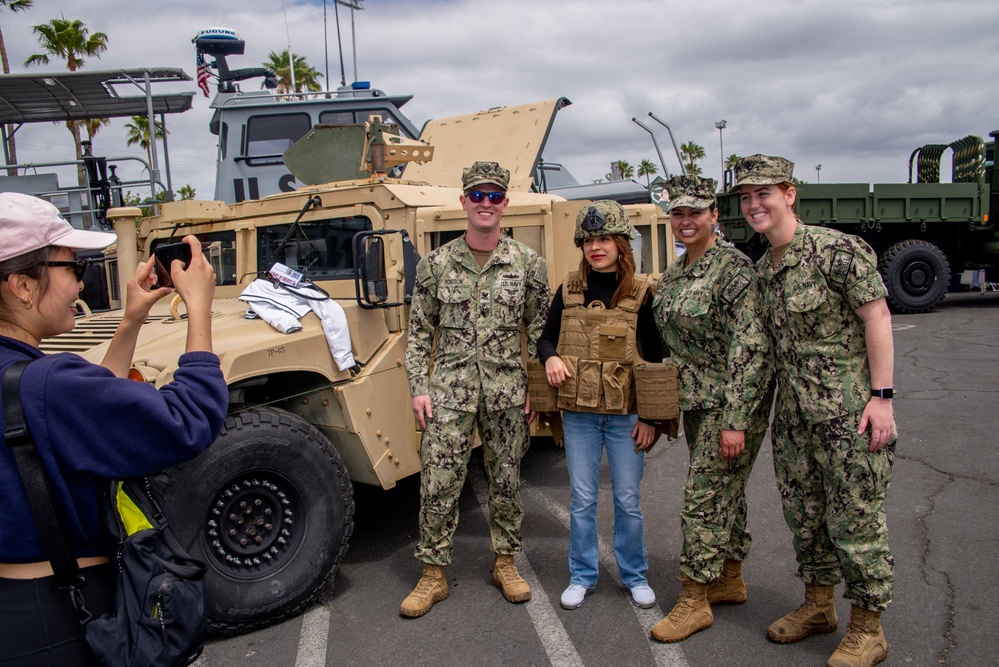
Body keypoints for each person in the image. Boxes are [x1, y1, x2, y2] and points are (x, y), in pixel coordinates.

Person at [0, 192, 228, 666]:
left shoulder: (28, 379)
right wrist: (200, 310)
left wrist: (131, 321)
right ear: (22, 285)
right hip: (62, 613)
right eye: (74, 269)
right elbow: (188, 421)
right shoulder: (50, 383)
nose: (81, 286)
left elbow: (82, 413)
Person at [734, 155, 896, 667]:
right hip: (796, 419)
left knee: (856, 519)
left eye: (763, 194)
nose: (754, 204)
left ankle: (869, 628)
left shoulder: (835, 251)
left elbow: (878, 317)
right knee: (805, 518)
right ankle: (819, 606)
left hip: (848, 414)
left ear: (789, 194)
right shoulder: (764, 270)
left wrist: (882, 397)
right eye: (746, 197)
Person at [401, 161, 550, 618]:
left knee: (506, 480)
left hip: (507, 392)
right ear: (464, 202)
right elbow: (418, 334)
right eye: (478, 196)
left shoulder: (527, 263)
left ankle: (505, 563)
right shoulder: (436, 265)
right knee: (439, 482)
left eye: (495, 196)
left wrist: (536, 387)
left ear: (505, 204)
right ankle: (432, 575)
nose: (486, 204)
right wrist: (419, 388)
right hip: (448, 392)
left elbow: (542, 330)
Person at [648, 176, 773, 642]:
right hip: (697, 404)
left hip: (731, 403)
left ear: (714, 216)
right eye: (678, 213)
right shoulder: (677, 273)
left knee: (702, 501)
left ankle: (694, 597)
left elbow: (751, 349)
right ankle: (730, 578)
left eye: (695, 212)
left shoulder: (734, 270)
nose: (685, 221)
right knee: (727, 496)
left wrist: (737, 422)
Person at [537, 200, 662, 611]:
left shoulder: (642, 294)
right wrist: (551, 357)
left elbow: (656, 359)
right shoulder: (569, 290)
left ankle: (634, 574)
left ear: (621, 243)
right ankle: (582, 575)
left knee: (628, 499)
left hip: (626, 416)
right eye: (589, 240)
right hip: (580, 416)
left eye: (604, 238)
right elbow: (545, 339)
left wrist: (650, 418)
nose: (596, 247)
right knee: (583, 499)